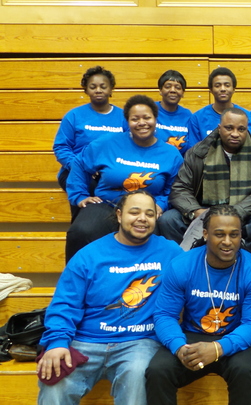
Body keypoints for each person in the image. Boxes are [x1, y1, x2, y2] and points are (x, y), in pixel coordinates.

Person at [37, 191, 183, 405]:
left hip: (139, 343)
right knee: (54, 378)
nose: (142, 218)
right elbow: (64, 304)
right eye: (134, 212)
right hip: (85, 341)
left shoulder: (170, 252)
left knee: (137, 375)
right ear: (119, 215)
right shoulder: (90, 255)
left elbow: (197, 279)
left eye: (149, 214)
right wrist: (58, 342)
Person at [147, 205, 251, 405]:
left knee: (245, 370)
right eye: (219, 234)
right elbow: (164, 315)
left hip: (234, 337)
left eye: (234, 235)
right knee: (158, 370)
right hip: (191, 336)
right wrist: (179, 347)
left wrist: (218, 348)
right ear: (205, 234)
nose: (227, 242)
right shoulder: (182, 265)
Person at [65, 95, 183, 262]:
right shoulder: (107, 143)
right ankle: (77, 277)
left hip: (146, 211)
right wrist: (79, 195)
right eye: (135, 119)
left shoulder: (171, 154)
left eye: (147, 117)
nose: (142, 123)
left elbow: (174, 188)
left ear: (156, 119)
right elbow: (79, 163)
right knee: (81, 231)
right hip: (107, 204)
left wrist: (160, 205)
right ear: (127, 122)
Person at [157, 108, 251, 258]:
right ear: (219, 128)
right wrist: (196, 211)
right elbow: (180, 189)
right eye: (229, 128)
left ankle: (249, 263)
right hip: (204, 210)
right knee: (168, 220)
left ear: (247, 130)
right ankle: (185, 263)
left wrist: (235, 212)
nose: (235, 134)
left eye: (241, 129)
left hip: (243, 211)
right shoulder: (198, 152)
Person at [52, 66, 126, 219]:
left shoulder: (123, 117)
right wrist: (82, 167)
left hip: (110, 170)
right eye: (93, 87)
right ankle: (80, 228)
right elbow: (61, 147)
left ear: (111, 89)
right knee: (89, 187)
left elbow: (129, 147)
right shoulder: (74, 115)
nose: (98, 90)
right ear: (86, 90)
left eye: (103, 86)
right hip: (75, 171)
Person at [187, 67, 250, 147]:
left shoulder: (246, 116)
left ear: (233, 89)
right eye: (217, 86)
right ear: (211, 90)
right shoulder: (197, 118)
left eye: (227, 85)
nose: (223, 89)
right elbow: (194, 151)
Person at [155, 70, 193, 155]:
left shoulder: (188, 115)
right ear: (160, 90)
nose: (173, 90)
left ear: (183, 93)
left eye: (178, 87)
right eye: (168, 86)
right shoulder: (149, 110)